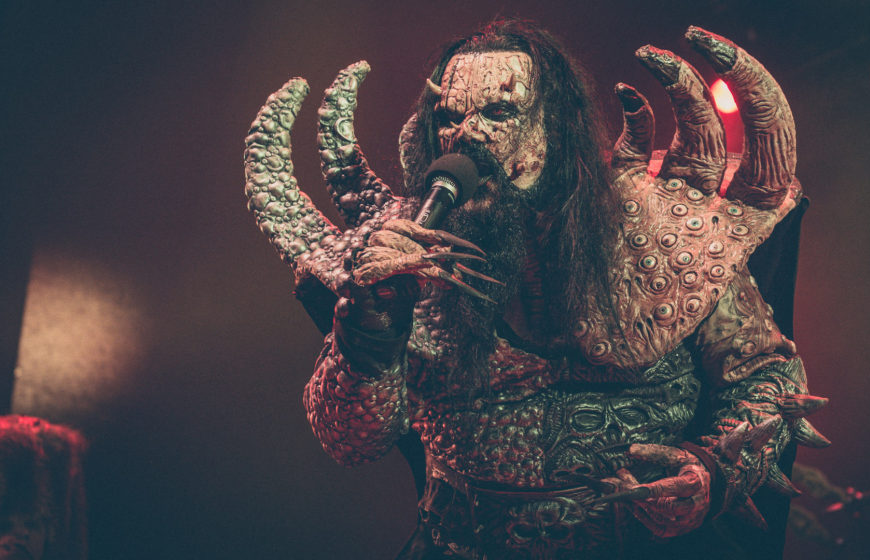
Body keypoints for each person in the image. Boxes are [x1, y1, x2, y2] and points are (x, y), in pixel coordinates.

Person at [243, 18, 829, 559]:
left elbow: (769, 379)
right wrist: (369, 335)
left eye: (499, 113)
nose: (466, 135)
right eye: (448, 118)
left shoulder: (660, 232)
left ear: (556, 128)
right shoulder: (408, 254)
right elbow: (350, 440)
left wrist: (713, 473)